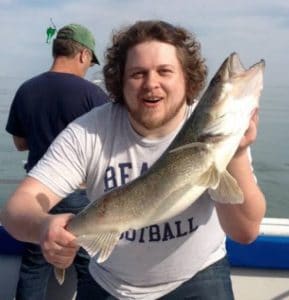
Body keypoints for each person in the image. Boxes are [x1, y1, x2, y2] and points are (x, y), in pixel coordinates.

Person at [1, 20, 266, 300]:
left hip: (199, 277)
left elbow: (245, 232)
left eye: (165, 71)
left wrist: (236, 151)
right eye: (138, 74)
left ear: (187, 79)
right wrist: (44, 227)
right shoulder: (88, 132)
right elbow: (16, 209)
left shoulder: (215, 131)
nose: (151, 83)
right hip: (108, 283)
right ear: (119, 81)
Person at [5, 23, 109, 300]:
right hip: (80, 193)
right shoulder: (93, 95)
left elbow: (19, 143)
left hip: (39, 194)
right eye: (90, 61)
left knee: (34, 268)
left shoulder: (26, 90)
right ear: (84, 55)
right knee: (90, 266)